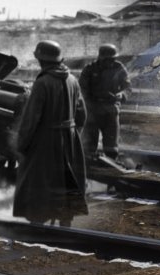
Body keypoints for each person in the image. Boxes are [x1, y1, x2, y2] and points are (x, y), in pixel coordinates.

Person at [12, 40, 88, 227]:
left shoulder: (42, 82)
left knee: (38, 179)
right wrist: (73, 133)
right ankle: (66, 219)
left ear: (41, 60)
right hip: (69, 138)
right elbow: (82, 114)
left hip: (46, 140)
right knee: (67, 179)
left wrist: (22, 145)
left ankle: (37, 221)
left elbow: (31, 119)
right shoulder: (72, 80)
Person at [79, 43, 131, 161]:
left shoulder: (119, 68)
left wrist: (121, 94)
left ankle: (112, 165)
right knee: (88, 146)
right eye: (108, 59)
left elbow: (128, 87)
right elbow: (82, 91)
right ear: (101, 58)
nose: (111, 62)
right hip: (93, 111)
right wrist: (90, 107)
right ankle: (89, 169)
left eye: (113, 59)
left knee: (111, 147)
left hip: (111, 110)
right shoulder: (90, 69)